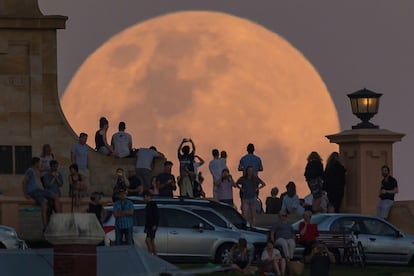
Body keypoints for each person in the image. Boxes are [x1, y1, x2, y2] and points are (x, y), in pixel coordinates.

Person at [22, 157, 60, 231]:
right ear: (36, 163)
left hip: (37, 190)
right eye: (39, 163)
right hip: (33, 191)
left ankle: (59, 217)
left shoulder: (34, 169)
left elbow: (42, 169)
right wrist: (25, 194)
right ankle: (45, 226)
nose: (40, 164)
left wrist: (50, 169)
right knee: (44, 204)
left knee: (55, 196)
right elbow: (24, 182)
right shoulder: (30, 170)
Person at [143, 190, 159, 255]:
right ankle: (155, 254)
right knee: (151, 240)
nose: (144, 199)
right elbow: (147, 218)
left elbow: (156, 215)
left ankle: (150, 254)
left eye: (144, 197)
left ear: (147, 197)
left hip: (152, 226)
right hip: (149, 226)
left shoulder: (153, 204)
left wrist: (155, 224)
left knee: (148, 240)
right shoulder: (147, 205)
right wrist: (146, 227)